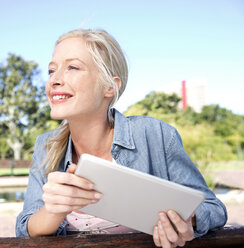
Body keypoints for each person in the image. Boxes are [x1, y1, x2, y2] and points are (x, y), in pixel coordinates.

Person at [16, 29, 227, 247]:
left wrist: (184, 220)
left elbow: (213, 208)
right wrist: (54, 210)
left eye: (72, 67)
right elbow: (25, 228)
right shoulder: (46, 146)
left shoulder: (155, 135)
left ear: (110, 87)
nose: (55, 80)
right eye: (52, 70)